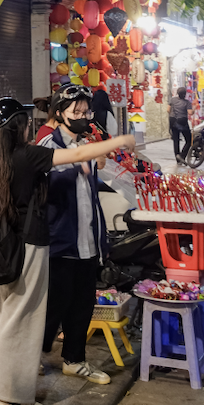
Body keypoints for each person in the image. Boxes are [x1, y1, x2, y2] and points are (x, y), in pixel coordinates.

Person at [0, 96, 134, 405]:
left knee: (5, 315)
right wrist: (121, 139)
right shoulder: (27, 155)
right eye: (25, 121)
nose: (30, 125)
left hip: (9, 244)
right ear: (17, 126)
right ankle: (11, 395)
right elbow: (80, 153)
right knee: (23, 320)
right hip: (29, 245)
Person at [41, 85, 117, 385]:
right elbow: (47, 185)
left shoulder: (88, 143)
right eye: (76, 111)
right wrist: (78, 168)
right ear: (59, 113)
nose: (83, 116)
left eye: (86, 111)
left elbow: (90, 195)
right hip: (61, 241)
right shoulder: (49, 145)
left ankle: (75, 359)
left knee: (82, 305)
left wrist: (102, 238)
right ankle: (32, 354)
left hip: (87, 240)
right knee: (52, 307)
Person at [168, 86, 192, 164]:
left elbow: (168, 110)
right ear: (185, 94)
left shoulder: (172, 100)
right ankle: (182, 156)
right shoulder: (187, 102)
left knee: (176, 140)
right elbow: (190, 113)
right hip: (182, 122)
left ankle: (178, 159)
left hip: (173, 121)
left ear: (177, 93)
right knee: (189, 140)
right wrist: (193, 109)